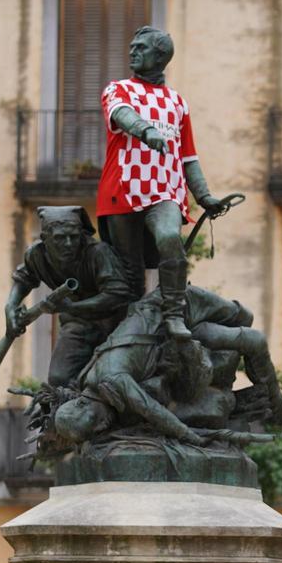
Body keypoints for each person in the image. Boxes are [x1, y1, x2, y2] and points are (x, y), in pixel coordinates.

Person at [49, 286, 282, 446]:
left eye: (94, 422)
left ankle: (278, 406)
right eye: (94, 430)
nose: (100, 428)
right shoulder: (92, 386)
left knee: (243, 317)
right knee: (255, 340)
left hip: (176, 307)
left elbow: (151, 410)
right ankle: (280, 408)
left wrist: (189, 436)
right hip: (179, 341)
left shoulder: (112, 377)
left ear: (83, 404)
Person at [97, 26, 227, 341]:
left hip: (166, 191)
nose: (132, 52)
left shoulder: (178, 103)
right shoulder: (118, 89)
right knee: (130, 273)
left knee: (170, 239)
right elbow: (122, 114)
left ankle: (173, 316)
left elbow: (188, 158)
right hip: (123, 192)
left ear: (160, 56)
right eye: (131, 46)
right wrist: (145, 131)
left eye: (140, 47)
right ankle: (128, 332)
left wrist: (205, 196)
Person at [5, 206, 137, 386]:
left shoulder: (98, 252)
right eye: (60, 238)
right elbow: (24, 279)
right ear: (45, 239)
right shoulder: (36, 255)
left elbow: (117, 295)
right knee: (59, 378)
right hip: (78, 323)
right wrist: (11, 306)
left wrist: (71, 307)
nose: (68, 243)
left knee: (112, 380)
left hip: (118, 324)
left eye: (74, 237)